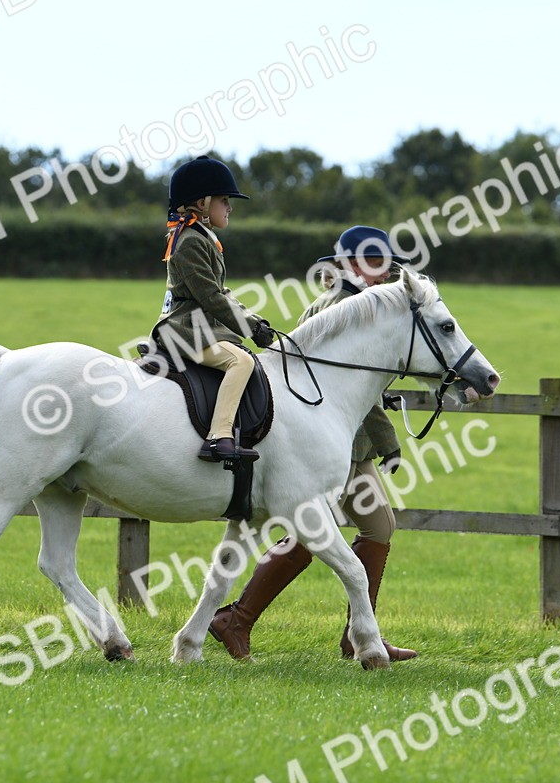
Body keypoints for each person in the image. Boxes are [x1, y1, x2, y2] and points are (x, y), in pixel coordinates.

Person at [208, 225, 418, 661]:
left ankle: (348, 633)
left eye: (384, 266)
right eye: (372, 264)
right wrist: (389, 440)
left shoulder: (342, 303)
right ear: (349, 264)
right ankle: (246, 620)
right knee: (348, 531)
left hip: (342, 442)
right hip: (332, 444)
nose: (382, 275)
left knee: (342, 532)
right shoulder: (346, 306)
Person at [152, 156, 275, 462]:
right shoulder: (190, 242)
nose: (229, 208)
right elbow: (211, 297)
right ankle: (218, 437)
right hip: (184, 331)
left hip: (200, 327)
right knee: (240, 362)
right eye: (224, 200)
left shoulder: (202, 239)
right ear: (202, 203)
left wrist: (255, 321)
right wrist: (248, 329)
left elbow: (222, 292)